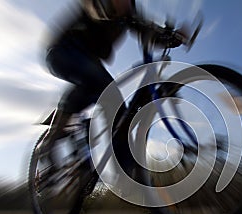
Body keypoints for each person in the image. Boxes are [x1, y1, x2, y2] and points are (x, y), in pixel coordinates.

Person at [37, 0, 184, 175]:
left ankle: (128, 173)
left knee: (118, 110)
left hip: (90, 60)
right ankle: (50, 142)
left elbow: (146, 29)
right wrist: (109, 7)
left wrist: (169, 36)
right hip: (62, 51)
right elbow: (92, 8)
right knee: (105, 87)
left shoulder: (129, 14)